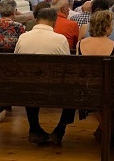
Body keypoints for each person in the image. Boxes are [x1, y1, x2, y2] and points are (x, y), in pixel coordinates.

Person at [14, 8, 74, 145]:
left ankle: (34, 128)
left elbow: (16, 62)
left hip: (26, 88)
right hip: (54, 90)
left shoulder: (23, 37)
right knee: (74, 90)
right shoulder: (60, 39)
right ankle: (59, 131)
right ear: (54, 22)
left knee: (31, 83)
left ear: (37, 19)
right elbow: (67, 67)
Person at [76, 10, 114, 141]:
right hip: (108, 90)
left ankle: (103, 126)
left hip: (86, 89)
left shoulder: (80, 44)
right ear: (107, 27)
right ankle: (106, 126)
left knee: (94, 95)